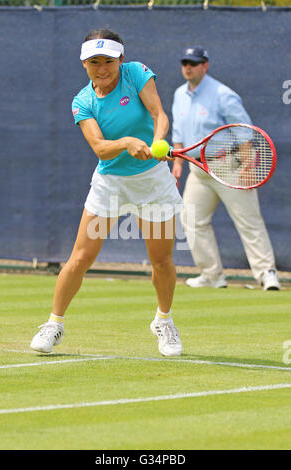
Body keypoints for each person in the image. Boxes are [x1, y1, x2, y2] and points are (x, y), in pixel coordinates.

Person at [30, 29, 183, 357]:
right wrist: (128, 143)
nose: (103, 69)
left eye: (109, 62)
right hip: (110, 184)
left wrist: (158, 142)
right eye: (94, 62)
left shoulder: (137, 74)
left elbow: (159, 114)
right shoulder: (82, 101)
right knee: (80, 258)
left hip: (153, 181)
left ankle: (164, 321)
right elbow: (100, 148)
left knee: (161, 259)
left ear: (121, 60)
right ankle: (54, 324)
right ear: (84, 64)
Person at [171, 46, 280, 291]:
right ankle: (212, 275)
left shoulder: (223, 94)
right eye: (185, 62)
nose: (188, 67)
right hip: (198, 170)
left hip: (228, 166)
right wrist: (178, 163)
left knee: (248, 220)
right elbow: (178, 132)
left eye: (194, 62)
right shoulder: (179, 94)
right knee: (192, 219)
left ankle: (267, 274)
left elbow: (244, 132)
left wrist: (249, 163)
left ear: (205, 66)